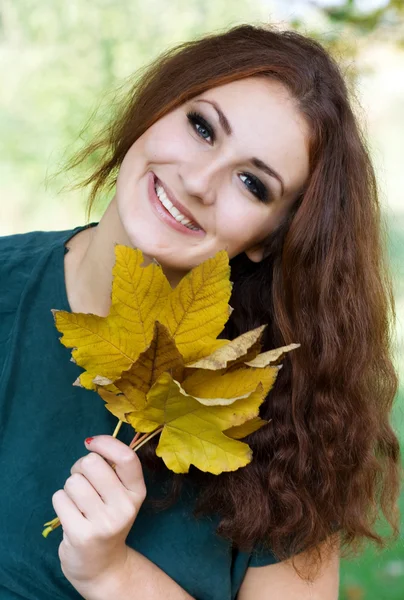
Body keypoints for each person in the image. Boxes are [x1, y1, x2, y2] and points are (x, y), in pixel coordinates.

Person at [0, 22, 400, 600]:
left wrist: (114, 576)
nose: (199, 181)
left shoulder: (298, 418)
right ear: (158, 107)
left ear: (273, 235)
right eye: (201, 127)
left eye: (251, 182)